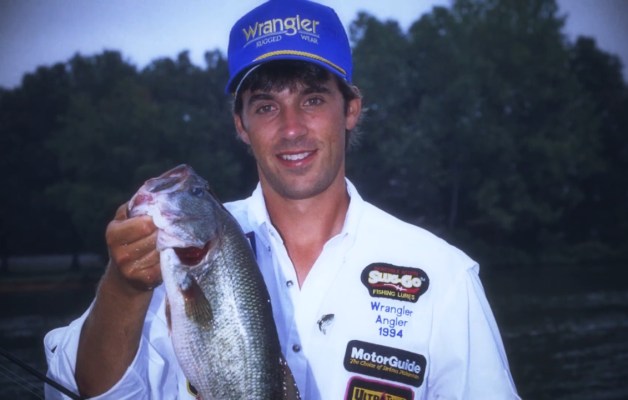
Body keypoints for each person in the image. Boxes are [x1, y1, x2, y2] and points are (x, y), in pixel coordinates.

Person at [45, 0, 520, 398]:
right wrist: (123, 288)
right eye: (267, 106)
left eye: (313, 100)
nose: (291, 129)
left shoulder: (443, 275)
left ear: (350, 109)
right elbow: (81, 390)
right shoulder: (166, 259)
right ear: (241, 124)